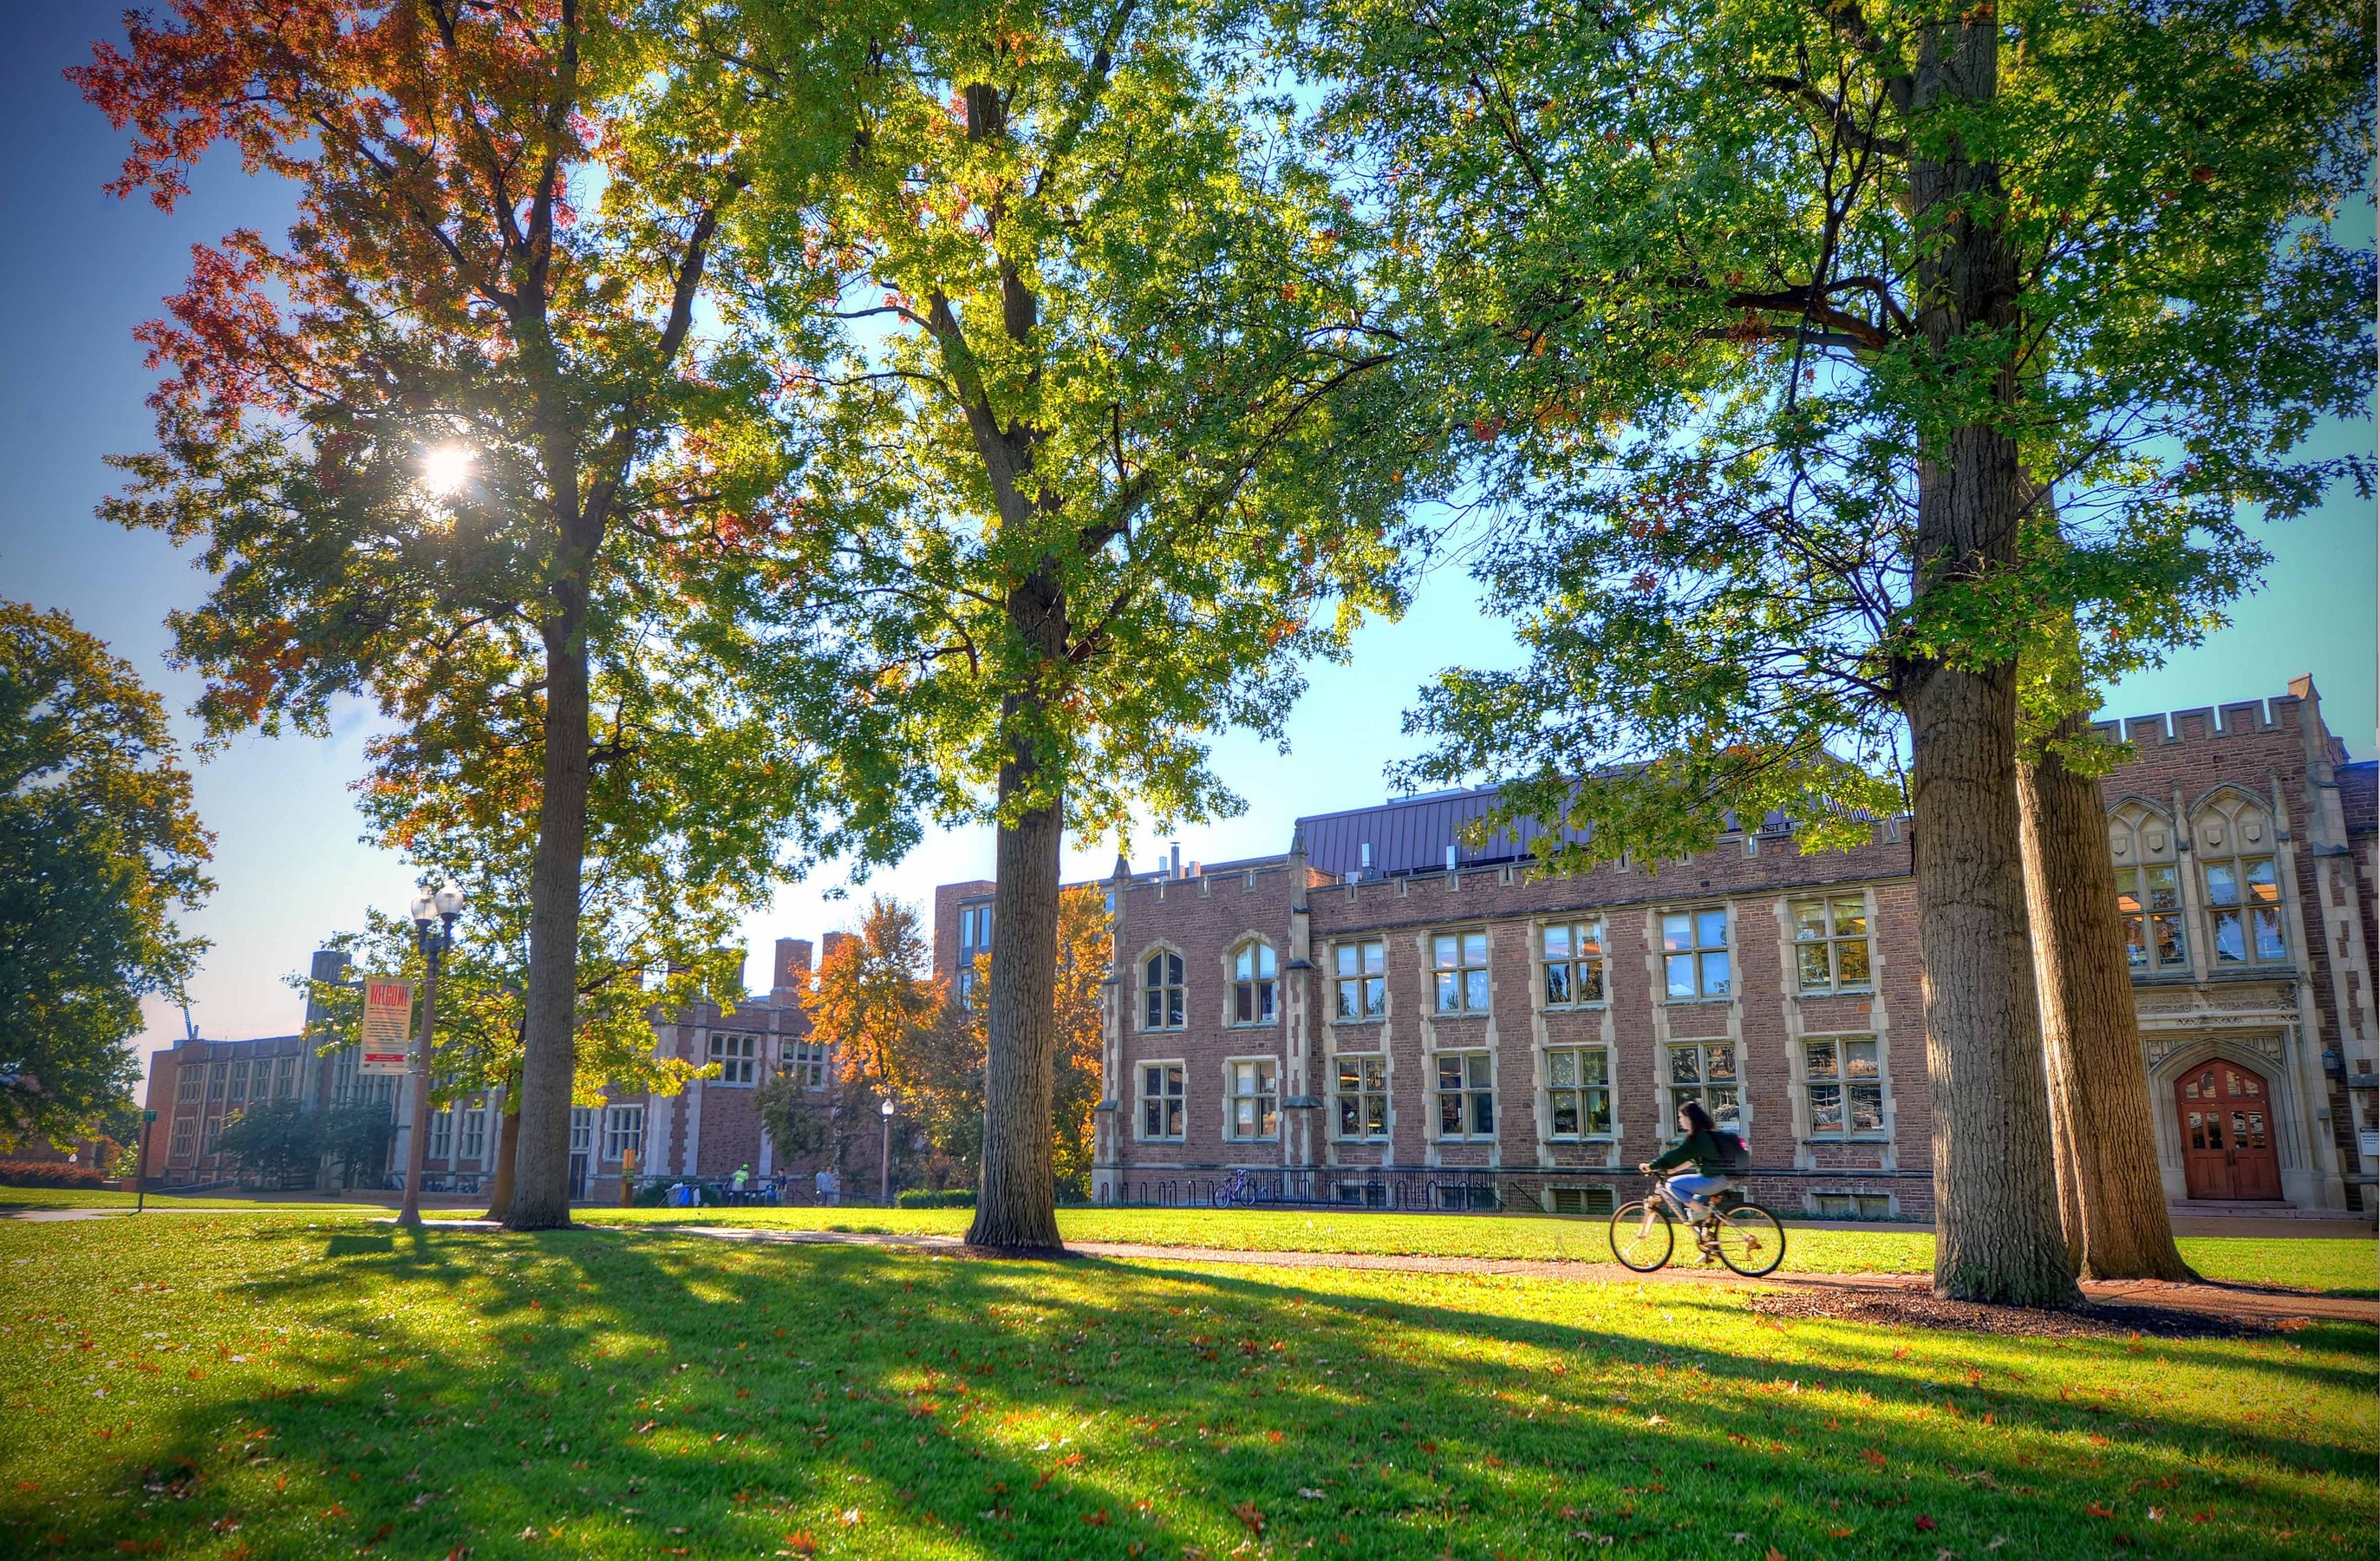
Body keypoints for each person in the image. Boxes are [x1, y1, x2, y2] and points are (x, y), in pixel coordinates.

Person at [1640, 1100, 1736, 1225]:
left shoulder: (1697, 1138)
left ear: (1689, 1117)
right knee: (1694, 1209)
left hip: (1713, 1181)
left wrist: (1652, 1165)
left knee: (1671, 1184)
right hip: (1723, 1179)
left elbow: (1677, 1154)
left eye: (1681, 1117)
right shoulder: (1707, 1133)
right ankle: (1707, 1240)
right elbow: (1691, 1159)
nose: (1679, 1120)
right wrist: (1673, 1170)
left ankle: (1702, 1212)